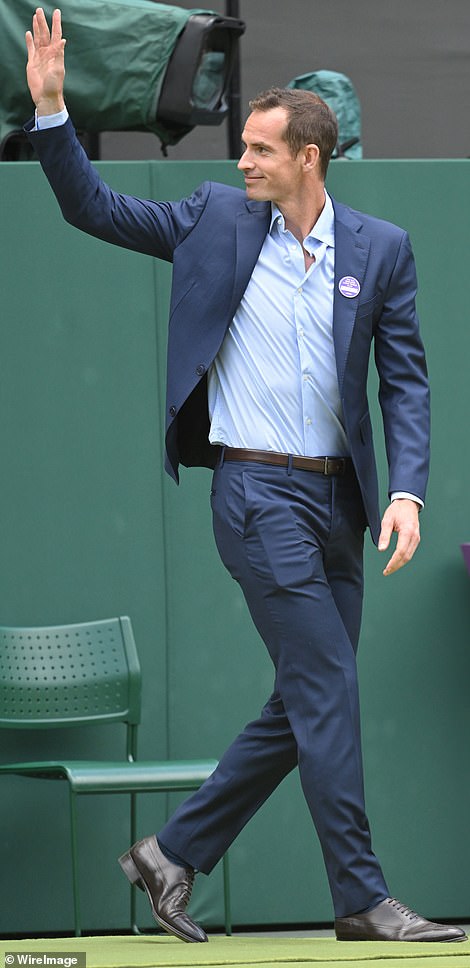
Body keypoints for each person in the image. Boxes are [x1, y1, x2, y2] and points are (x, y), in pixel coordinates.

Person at [24, 8, 466, 945]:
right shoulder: (216, 220)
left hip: (340, 503)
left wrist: (407, 490)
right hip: (255, 494)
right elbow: (94, 209)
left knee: (313, 691)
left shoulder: (380, 249)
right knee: (327, 688)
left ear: (312, 157)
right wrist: (54, 111)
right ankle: (361, 895)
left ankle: (171, 853)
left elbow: (407, 380)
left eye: (263, 150)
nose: (244, 162)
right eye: (247, 148)